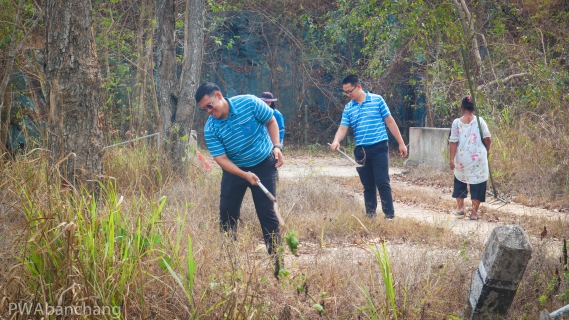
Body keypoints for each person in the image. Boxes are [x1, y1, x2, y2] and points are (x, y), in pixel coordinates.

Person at [194, 82, 285, 275]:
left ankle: (278, 268)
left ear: (219, 95)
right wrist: (244, 175)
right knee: (227, 215)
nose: (209, 111)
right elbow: (220, 158)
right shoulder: (211, 128)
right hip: (235, 171)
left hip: (263, 164)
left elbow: (271, 121)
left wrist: (277, 146)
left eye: (210, 105)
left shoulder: (250, 103)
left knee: (268, 215)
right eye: (204, 109)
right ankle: (230, 265)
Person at [329, 74, 407, 219]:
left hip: (379, 148)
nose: (348, 95)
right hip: (361, 151)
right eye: (345, 92)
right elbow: (342, 128)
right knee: (368, 185)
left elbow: (390, 122)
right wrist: (336, 141)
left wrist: (401, 143)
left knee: (382, 182)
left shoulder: (377, 100)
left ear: (358, 86)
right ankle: (370, 215)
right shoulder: (348, 108)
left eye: (349, 91)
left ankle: (389, 215)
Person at [449, 95, 491, 220]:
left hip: (462, 159)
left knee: (460, 180)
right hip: (478, 158)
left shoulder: (456, 123)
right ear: (473, 108)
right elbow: (487, 137)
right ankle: (473, 213)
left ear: (461, 107)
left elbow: (453, 142)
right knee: (478, 183)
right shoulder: (480, 121)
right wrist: (487, 150)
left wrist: (451, 159)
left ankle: (460, 208)